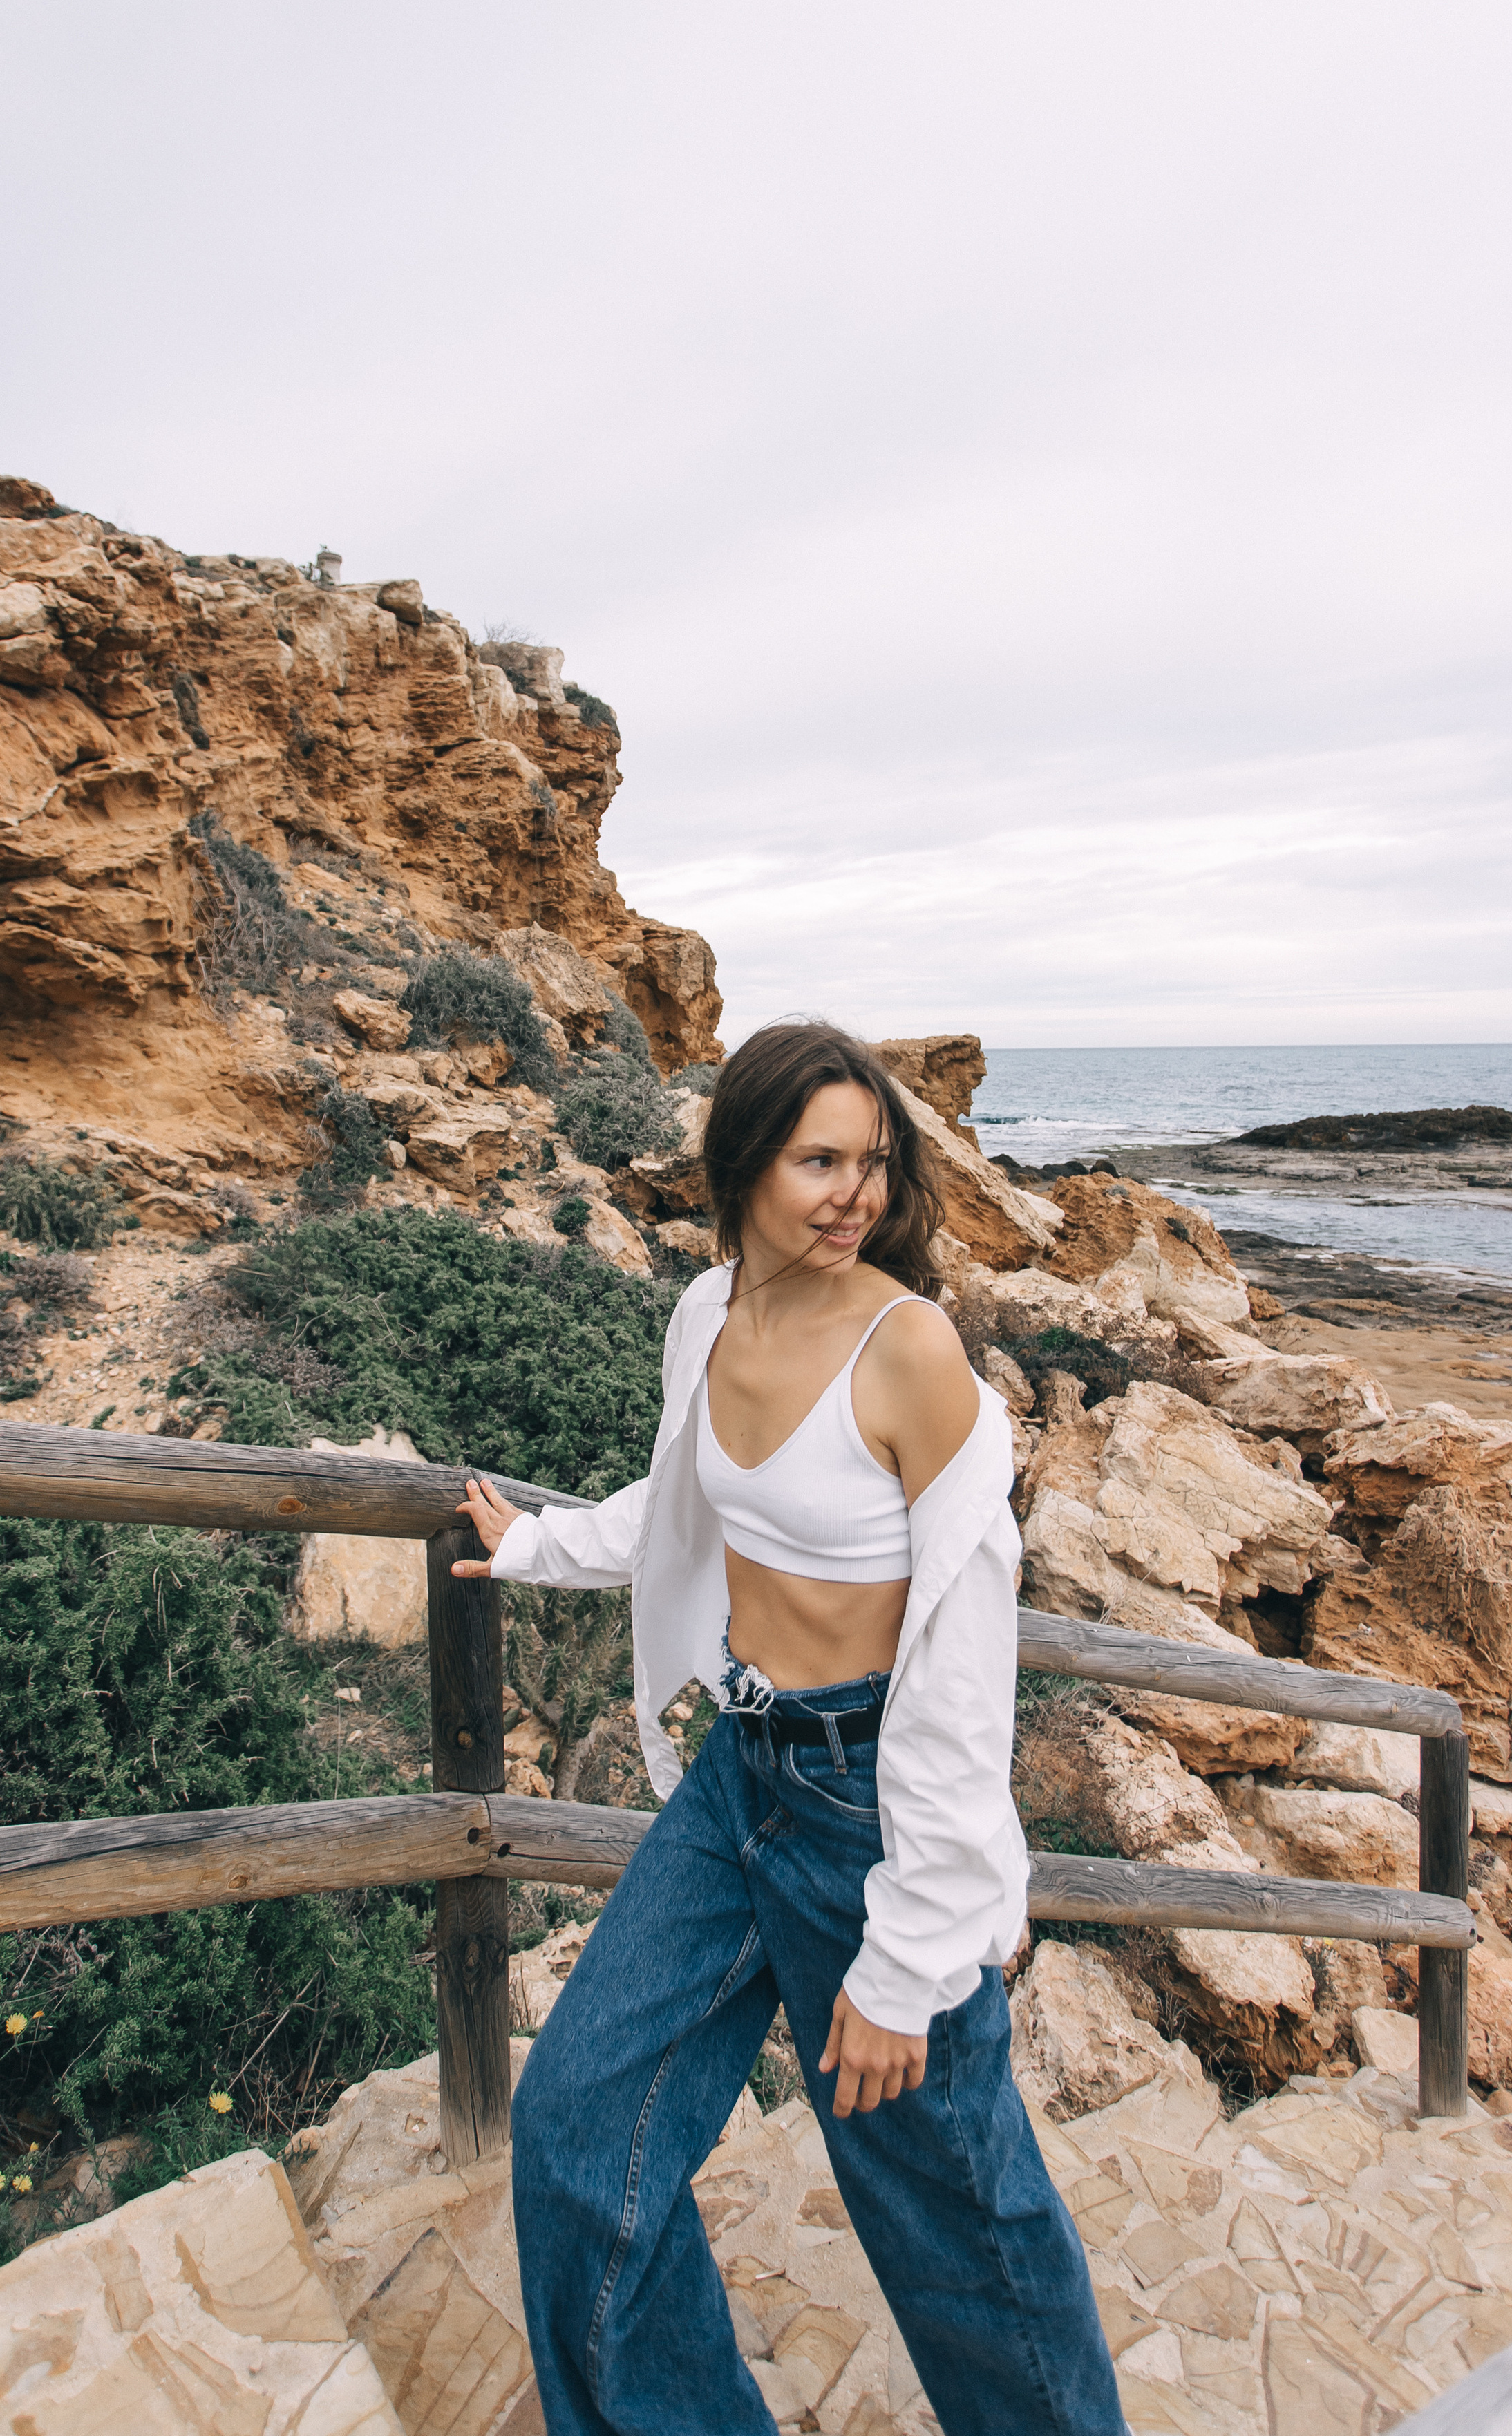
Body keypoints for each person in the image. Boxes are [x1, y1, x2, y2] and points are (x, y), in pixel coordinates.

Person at [450, 1020, 1124, 2436]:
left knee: (959, 2219)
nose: (853, 1193)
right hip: (736, 1780)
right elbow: (688, 1508)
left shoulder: (910, 1351)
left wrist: (906, 1953)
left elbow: (960, 1668)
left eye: (871, 1163)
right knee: (576, 2128)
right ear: (741, 1162)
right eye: (820, 1159)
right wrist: (537, 1550)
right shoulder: (707, 1314)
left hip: (868, 1812)